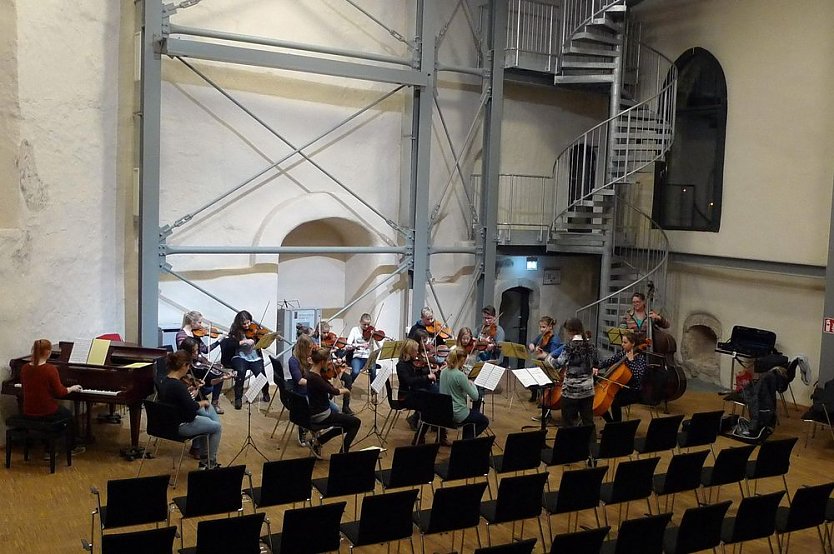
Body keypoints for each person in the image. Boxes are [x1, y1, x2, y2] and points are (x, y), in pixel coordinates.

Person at [158, 350, 222, 469]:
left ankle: (205, 461)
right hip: (180, 425)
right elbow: (192, 407)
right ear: (184, 366)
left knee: (208, 420)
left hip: (167, 422)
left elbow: (178, 400)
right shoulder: (178, 386)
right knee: (216, 427)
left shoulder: (164, 380)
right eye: (188, 366)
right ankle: (209, 463)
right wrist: (202, 402)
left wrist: (188, 393)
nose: (189, 370)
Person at [20, 339, 85, 456]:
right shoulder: (50, 369)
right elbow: (60, 393)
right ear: (48, 353)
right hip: (46, 411)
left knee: (59, 413)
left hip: (28, 410)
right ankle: (70, 448)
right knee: (68, 416)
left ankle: (48, 446)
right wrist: (72, 388)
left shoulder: (25, 368)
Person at [538, 318, 599, 429]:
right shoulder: (591, 346)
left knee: (569, 423)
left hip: (571, 391)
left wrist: (548, 357)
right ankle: (591, 445)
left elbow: (558, 363)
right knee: (588, 422)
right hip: (588, 390)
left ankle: (570, 446)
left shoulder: (569, 346)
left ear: (570, 331)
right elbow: (596, 363)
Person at [306, 347, 361, 458]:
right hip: (321, 415)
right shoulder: (317, 379)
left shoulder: (310, 374)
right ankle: (343, 455)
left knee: (348, 424)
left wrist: (338, 374)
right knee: (356, 422)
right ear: (322, 362)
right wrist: (346, 390)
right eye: (328, 361)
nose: (329, 363)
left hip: (314, 411)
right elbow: (334, 391)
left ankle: (318, 441)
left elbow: (330, 391)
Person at [177, 318, 229, 413]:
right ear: (192, 322)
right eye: (200, 322)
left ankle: (214, 402)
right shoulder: (181, 335)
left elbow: (205, 350)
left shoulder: (196, 335)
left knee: (219, 370)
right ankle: (201, 395)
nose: (201, 326)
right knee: (216, 374)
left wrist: (218, 341)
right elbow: (184, 351)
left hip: (199, 361)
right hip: (192, 364)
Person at [221, 310, 269, 410]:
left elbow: (263, 343)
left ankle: (265, 392)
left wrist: (260, 339)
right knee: (241, 372)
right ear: (239, 323)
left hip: (255, 357)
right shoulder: (235, 331)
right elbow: (229, 345)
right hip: (240, 356)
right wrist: (242, 342)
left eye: (248, 322)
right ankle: (238, 398)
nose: (247, 325)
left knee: (261, 374)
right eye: (244, 323)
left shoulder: (255, 328)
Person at [598, 331, 647, 423]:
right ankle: (611, 424)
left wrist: (631, 361)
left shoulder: (640, 359)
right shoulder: (623, 353)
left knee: (615, 402)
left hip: (634, 391)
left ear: (633, 344)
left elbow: (638, 377)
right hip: (622, 388)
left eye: (625, 342)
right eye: (622, 342)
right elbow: (609, 361)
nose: (622, 344)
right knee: (602, 401)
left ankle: (617, 426)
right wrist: (596, 367)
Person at [439, 347, 488, 439]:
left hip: (444, 412)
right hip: (458, 414)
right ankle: (467, 440)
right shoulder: (460, 375)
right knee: (484, 421)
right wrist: (471, 384)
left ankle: (466, 439)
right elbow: (475, 397)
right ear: (462, 360)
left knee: (472, 417)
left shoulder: (443, 371)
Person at [527, 316, 564, 402]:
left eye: (543, 327)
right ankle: (534, 392)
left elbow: (553, 355)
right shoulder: (542, 336)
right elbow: (532, 342)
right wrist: (532, 346)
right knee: (528, 372)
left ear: (550, 327)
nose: (541, 329)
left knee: (533, 373)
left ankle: (542, 396)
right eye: (540, 327)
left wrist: (542, 354)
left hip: (549, 365)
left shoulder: (555, 339)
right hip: (540, 363)